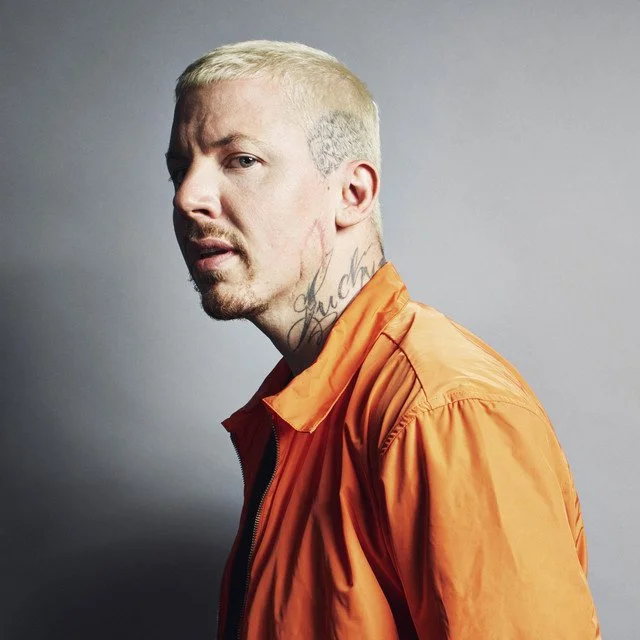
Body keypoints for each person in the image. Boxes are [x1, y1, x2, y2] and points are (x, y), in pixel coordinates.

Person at [167, 40, 601, 640]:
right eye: (179, 168)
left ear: (353, 193)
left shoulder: (442, 410)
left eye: (240, 160)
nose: (187, 197)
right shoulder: (299, 410)